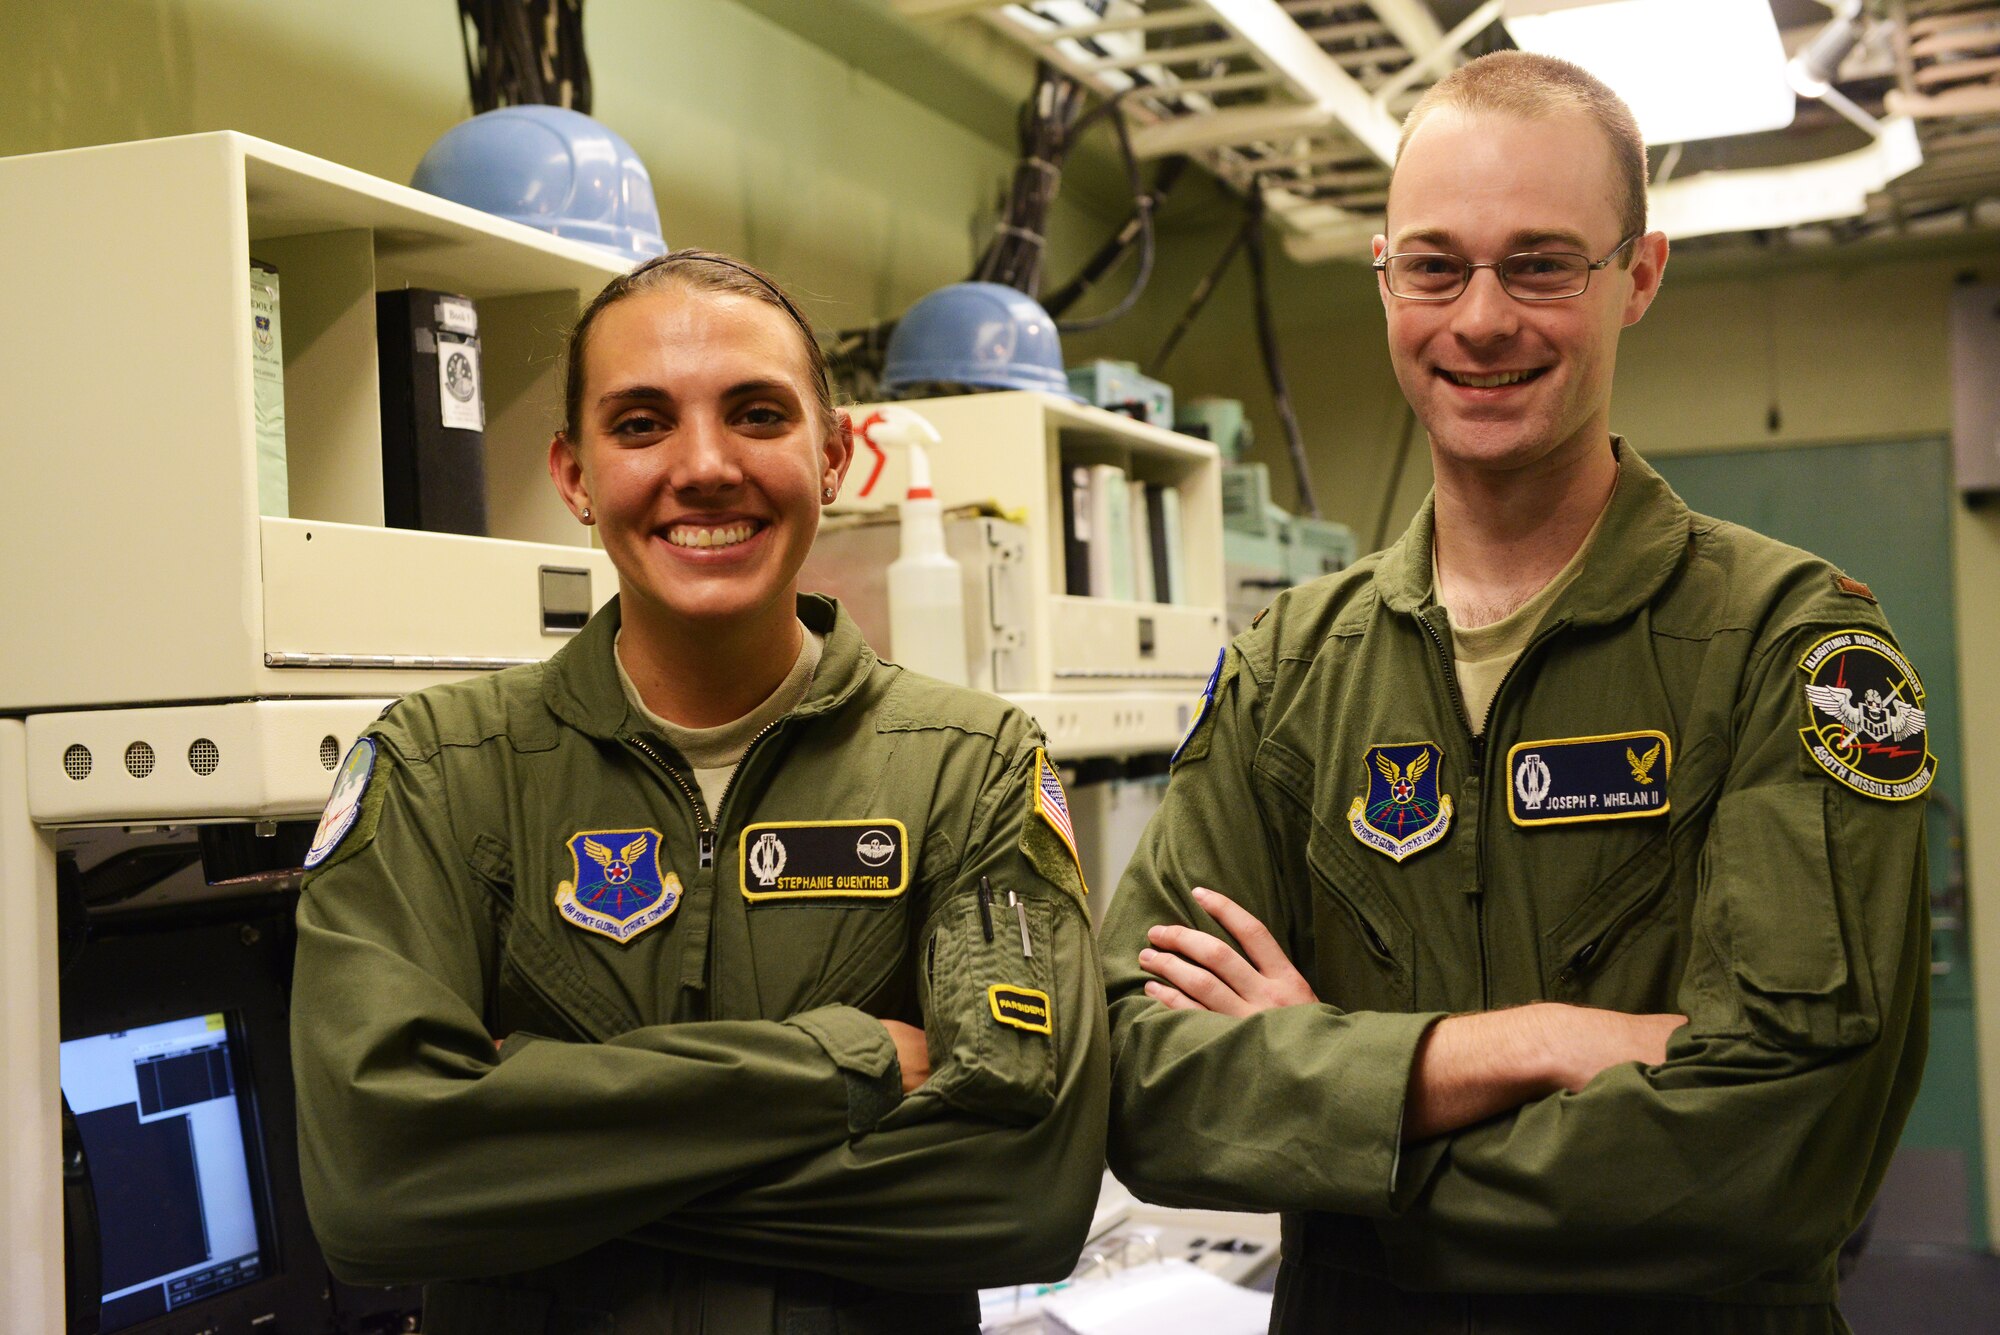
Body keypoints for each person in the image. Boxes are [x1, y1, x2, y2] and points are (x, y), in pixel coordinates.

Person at [1100, 52, 1931, 1333]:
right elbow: (1141, 1086)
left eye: (1541, 263)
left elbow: (1781, 1152)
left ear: (1637, 277)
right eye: (1433, 265)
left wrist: (1336, 1115)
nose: (1479, 319)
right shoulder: (1289, 675)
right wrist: (1524, 1042)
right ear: (1384, 276)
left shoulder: (1786, 647)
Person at [290, 249, 1109, 1334]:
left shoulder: (970, 768)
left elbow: (1024, 1191)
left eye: (757, 415)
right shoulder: (444, 771)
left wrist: (538, 1138)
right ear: (574, 476)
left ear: (833, 457)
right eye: (640, 424)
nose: (705, 464)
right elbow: (377, 1188)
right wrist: (846, 1062)